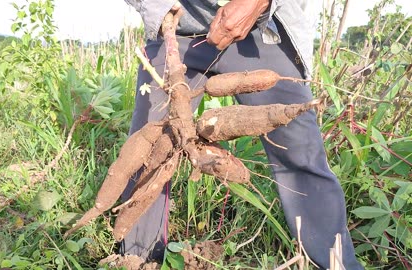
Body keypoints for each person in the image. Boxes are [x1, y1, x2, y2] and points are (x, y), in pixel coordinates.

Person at [120, 0, 364, 269]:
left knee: (301, 155)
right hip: (176, 32)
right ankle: (136, 258)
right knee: (148, 153)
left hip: (263, 30)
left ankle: (335, 263)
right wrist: (161, 11)